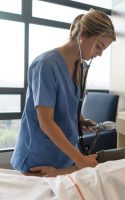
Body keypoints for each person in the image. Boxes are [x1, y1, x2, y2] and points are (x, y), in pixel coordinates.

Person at [11, 9, 116, 173]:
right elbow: (46, 122)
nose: (100, 54)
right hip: (38, 156)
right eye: (99, 46)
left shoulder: (79, 67)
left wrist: (80, 119)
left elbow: (66, 103)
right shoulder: (45, 65)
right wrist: (80, 159)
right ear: (83, 34)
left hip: (63, 156)